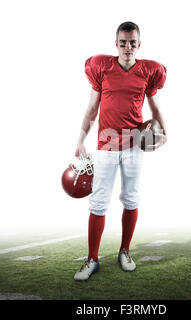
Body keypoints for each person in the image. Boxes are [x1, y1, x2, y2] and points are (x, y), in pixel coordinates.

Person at [74, 21, 167, 281]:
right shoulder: (102, 67)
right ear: (116, 44)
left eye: (133, 43)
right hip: (106, 143)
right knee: (99, 201)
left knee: (131, 198)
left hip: (134, 144)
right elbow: (92, 107)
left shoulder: (148, 71)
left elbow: (156, 109)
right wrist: (81, 138)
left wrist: (165, 132)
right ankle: (92, 259)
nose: (128, 47)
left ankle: (124, 251)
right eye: (123, 42)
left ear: (139, 45)